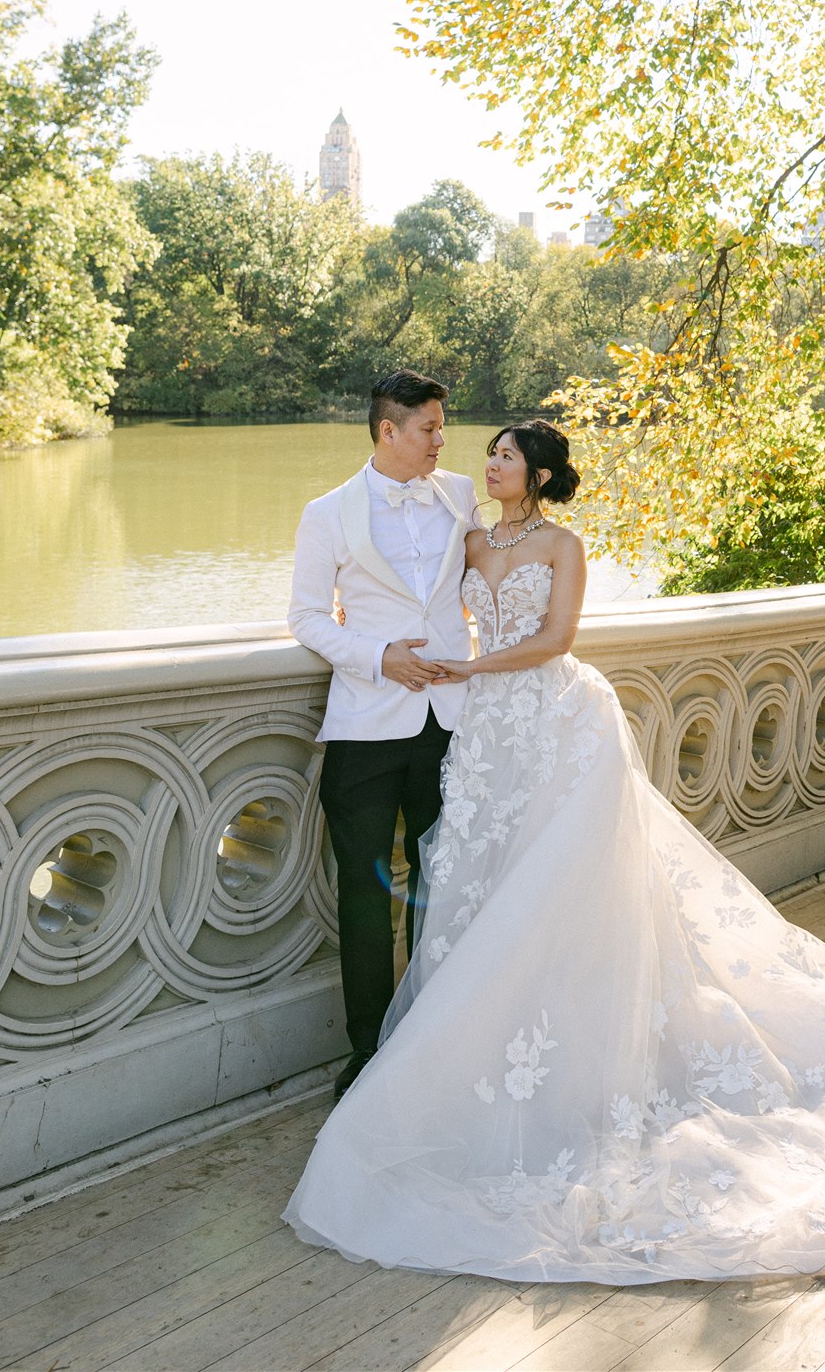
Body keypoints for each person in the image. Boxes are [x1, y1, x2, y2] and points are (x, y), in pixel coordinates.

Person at [285, 418, 825, 1281]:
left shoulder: (563, 543)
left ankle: (590, 1056)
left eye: (504, 455)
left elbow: (555, 640)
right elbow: (401, 597)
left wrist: (468, 672)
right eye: (479, 449)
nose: (484, 461)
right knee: (483, 881)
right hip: (481, 735)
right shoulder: (464, 531)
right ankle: (464, 1046)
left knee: (570, 882)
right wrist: (411, 659)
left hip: (553, 718)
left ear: (540, 474)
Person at [288, 369, 482, 1100]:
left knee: (444, 883)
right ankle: (366, 1053)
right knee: (363, 897)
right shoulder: (326, 513)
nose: (441, 440)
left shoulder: (462, 494)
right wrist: (377, 657)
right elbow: (306, 617)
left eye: (442, 426)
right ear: (387, 432)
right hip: (367, 727)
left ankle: (434, 1037)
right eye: (429, 428)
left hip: (449, 727)